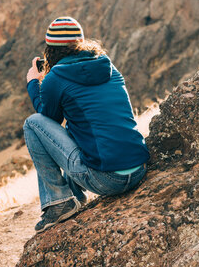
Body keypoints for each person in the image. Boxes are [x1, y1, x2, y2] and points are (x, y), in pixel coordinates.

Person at [24, 16, 149, 234]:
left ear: (50, 49)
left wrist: (34, 83)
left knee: (32, 123)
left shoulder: (55, 77)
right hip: (139, 169)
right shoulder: (108, 66)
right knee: (81, 125)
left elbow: (47, 120)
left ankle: (59, 202)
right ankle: (74, 196)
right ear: (80, 43)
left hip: (107, 180)